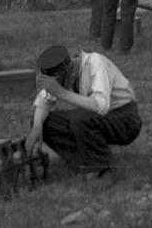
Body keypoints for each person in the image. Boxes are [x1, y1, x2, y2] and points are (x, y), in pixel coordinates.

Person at [25, 45, 141, 185]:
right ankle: (83, 161)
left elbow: (100, 106)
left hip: (125, 119)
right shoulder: (67, 74)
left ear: (68, 71)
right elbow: (44, 100)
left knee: (80, 118)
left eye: (58, 81)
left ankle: (103, 169)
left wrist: (61, 92)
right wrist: (37, 128)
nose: (58, 86)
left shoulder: (96, 64)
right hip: (99, 117)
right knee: (46, 122)